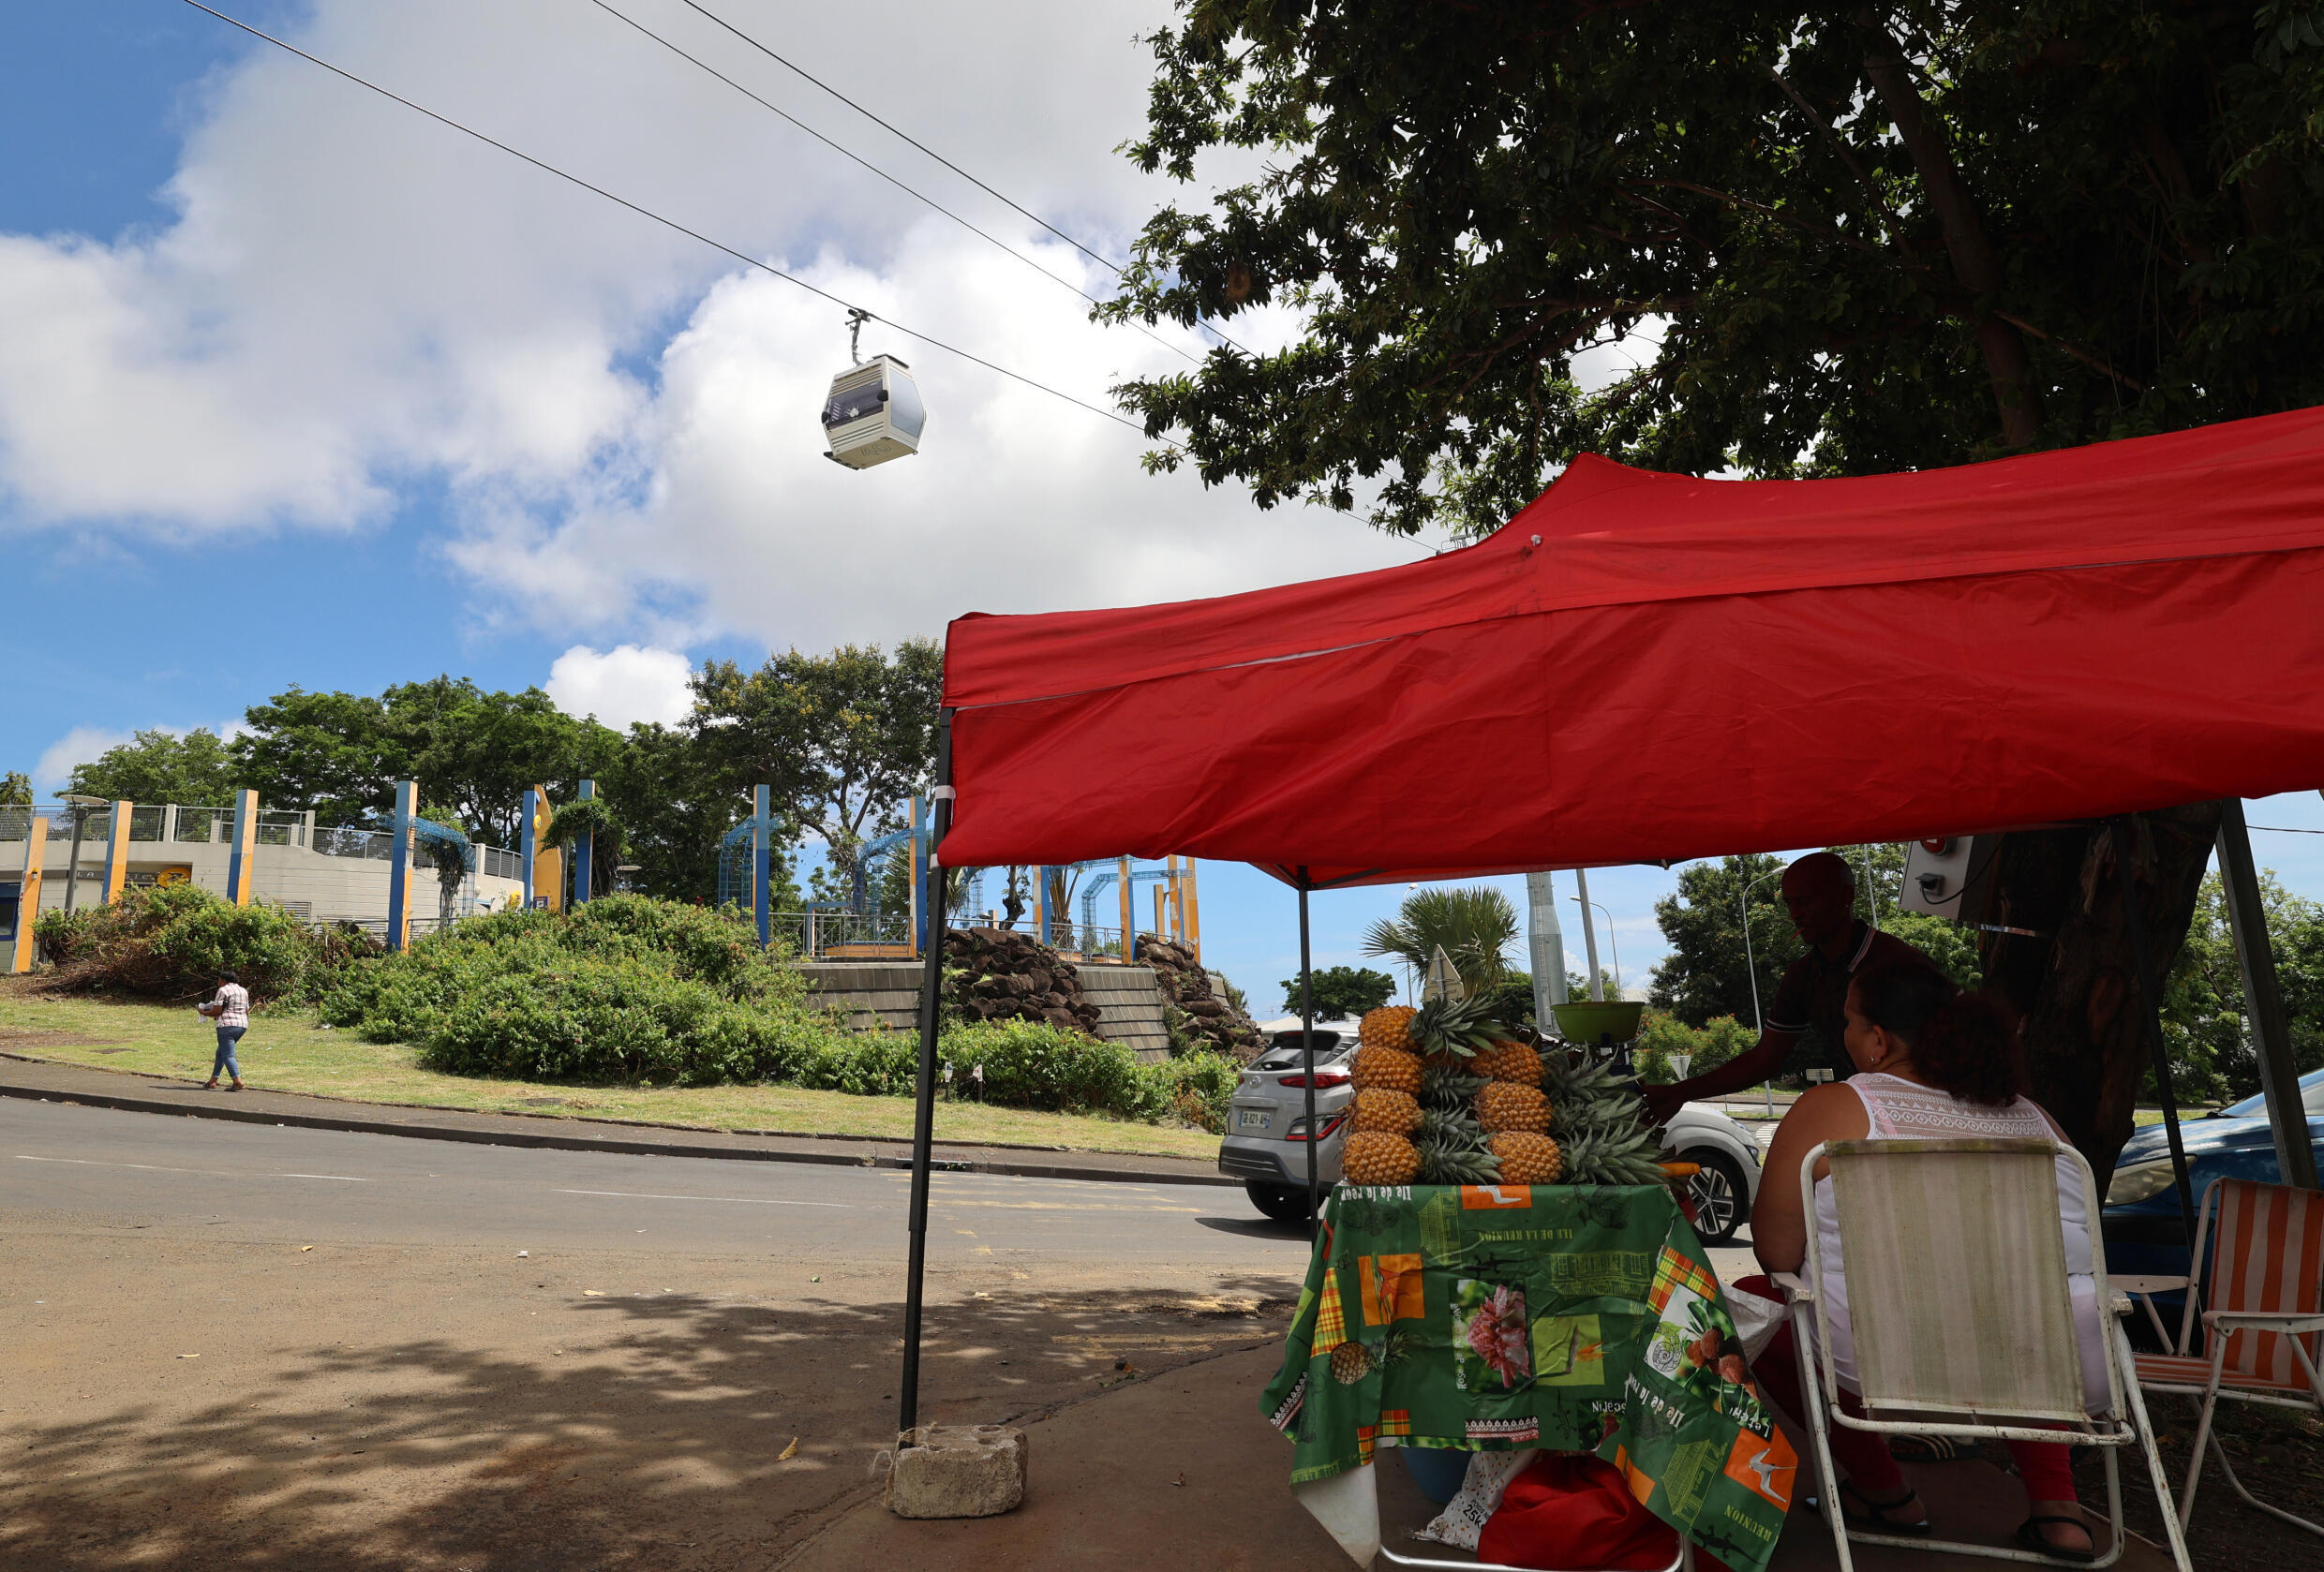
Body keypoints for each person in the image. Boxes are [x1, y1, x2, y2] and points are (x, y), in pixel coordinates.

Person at [1731, 957, 2104, 1561]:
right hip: (2036, 1358)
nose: (1846, 1034)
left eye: (1850, 1022)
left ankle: (1884, 1492)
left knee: (1758, 1299)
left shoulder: (1834, 1108)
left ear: (1877, 1041)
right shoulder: (2036, 1119)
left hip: (1877, 1363)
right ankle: (2059, 1511)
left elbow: (1776, 1253)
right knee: (2026, 1310)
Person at [1641, 852, 1929, 1123]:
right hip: (1877, 1110)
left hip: (1928, 1106)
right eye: (1790, 903)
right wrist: (1678, 1092)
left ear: (1846, 896)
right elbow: (1766, 1058)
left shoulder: (1899, 963)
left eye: (1806, 901)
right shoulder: (1803, 975)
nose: (1796, 914)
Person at [198, 970, 250, 1091]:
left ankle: (237, 1082)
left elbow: (217, 1011)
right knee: (221, 1052)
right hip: (242, 1025)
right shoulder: (243, 990)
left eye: (219, 980)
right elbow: (247, 1010)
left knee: (228, 1055)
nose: (218, 983)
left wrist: (204, 1012)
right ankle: (213, 1081)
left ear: (225, 980)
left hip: (226, 1025)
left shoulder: (223, 990)